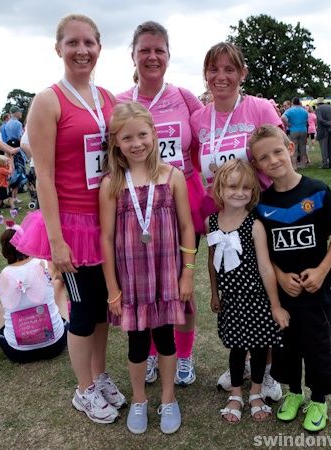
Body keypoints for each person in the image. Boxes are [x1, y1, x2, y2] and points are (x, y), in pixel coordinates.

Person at [10, 14, 125, 424]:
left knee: (101, 309)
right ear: (58, 48)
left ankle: (98, 375)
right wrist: (56, 241)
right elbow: (43, 174)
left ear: (99, 47)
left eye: (89, 43)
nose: (82, 51)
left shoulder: (108, 98)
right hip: (71, 224)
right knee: (80, 310)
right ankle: (83, 391)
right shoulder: (48, 100)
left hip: (106, 222)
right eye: (73, 43)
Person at [190, 42, 283, 402]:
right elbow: (199, 165)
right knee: (234, 289)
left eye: (230, 69)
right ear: (206, 75)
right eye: (214, 70)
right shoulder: (200, 117)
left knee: (263, 290)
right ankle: (243, 362)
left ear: (242, 73)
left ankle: (270, 370)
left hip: (261, 215)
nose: (221, 77)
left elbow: (277, 154)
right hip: (224, 218)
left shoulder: (258, 107)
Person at [116, 20, 205, 387]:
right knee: (143, 287)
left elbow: (205, 142)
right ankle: (151, 355)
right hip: (134, 209)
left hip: (179, 203)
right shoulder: (119, 101)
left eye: (159, 50)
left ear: (168, 55)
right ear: (133, 56)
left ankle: (183, 356)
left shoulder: (185, 97)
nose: (152, 57)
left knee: (180, 289)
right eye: (144, 50)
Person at [100, 102, 196, 434]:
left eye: (143, 134)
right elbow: (107, 237)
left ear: (154, 134)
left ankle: (168, 398)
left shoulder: (173, 176)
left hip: (167, 276)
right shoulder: (111, 183)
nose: (137, 143)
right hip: (132, 282)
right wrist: (112, 289)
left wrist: (187, 271)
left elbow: (186, 227)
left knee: (166, 340)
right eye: (127, 138)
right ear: (116, 142)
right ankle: (139, 399)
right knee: (138, 343)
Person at [250, 125, 331, 432]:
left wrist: (321, 270)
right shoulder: (262, 204)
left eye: (277, 151)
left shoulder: (316, 190)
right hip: (285, 294)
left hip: (316, 291)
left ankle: (318, 399)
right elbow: (265, 252)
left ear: (290, 148)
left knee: (318, 346)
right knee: (286, 347)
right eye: (264, 157)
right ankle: (293, 393)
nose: (273, 160)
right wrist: (279, 276)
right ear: (257, 165)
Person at [206, 159, 289, 424]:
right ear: (220, 189)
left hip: (256, 299)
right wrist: (214, 293)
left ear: (253, 192)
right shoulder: (211, 222)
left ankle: (255, 392)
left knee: (258, 345)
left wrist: (275, 305)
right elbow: (212, 262)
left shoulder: (254, 224)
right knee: (236, 347)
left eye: (245, 188)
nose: (239, 192)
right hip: (230, 299)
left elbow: (265, 267)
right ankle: (235, 393)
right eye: (232, 187)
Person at [0, 220, 68, 363]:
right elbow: (65, 279)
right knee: (58, 283)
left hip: (18, 353)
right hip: (55, 345)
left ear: (4, 253)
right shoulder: (45, 265)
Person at [281, 97, 308, 168]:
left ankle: (294, 165)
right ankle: (303, 164)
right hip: (303, 130)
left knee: (294, 147)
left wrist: (288, 123)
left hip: (293, 130)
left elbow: (283, 117)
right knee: (303, 147)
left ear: (292, 102)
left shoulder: (290, 110)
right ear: (299, 102)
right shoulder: (304, 111)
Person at [315, 97, 331, 168]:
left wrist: (329, 123)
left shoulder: (318, 109)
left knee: (324, 148)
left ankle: (325, 164)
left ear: (317, 104)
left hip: (323, 130)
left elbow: (320, 119)